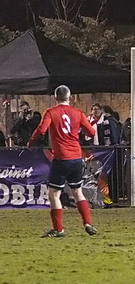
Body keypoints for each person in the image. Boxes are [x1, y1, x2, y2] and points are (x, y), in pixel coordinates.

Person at [27, 85, 98, 238]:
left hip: (61, 158)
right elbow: (91, 132)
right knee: (78, 192)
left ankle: (59, 229)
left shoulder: (51, 112)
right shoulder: (78, 113)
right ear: (69, 97)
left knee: (54, 194)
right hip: (77, 158)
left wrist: (31, 142)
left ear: (55, 97)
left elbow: (41, 130)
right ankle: (88, 223)